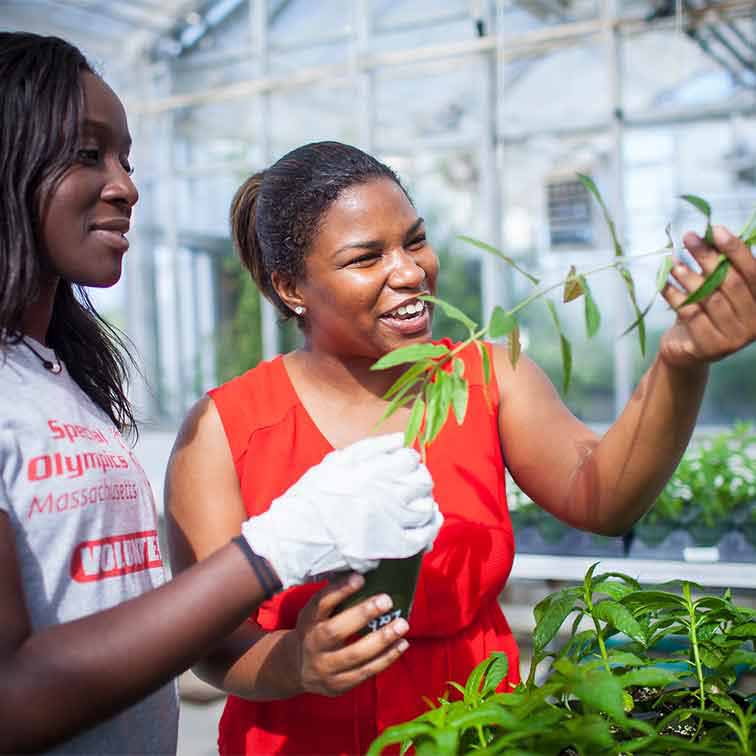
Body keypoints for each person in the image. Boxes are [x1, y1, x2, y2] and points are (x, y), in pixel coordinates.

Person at [165, 139, 756, 755]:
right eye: (366, 257)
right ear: (291, 287)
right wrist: (295, 660)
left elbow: (600, 495)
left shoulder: (488, 375)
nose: (410, 271)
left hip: (477, 731)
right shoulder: (225, 426)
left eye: (415, 240)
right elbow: (210, 643)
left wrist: (681, 360)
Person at [0, 34, 442, 755]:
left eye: (126, 159)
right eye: (88, 154)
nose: (126, 185)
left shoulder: (56, 378)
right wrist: (274, 547)